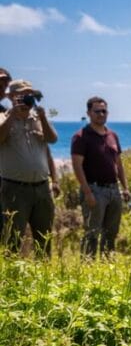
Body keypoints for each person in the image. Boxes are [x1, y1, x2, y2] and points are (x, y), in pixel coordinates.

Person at [0, 79, 59, 255]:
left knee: (44, 239)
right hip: (14, 189)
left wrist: (43, 117)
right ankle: (10, 279)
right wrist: (12, 115)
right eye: (21, 94)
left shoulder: (39, 118)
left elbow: (52, 139)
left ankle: (44, 276)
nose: (26, 97)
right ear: (10, 96)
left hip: (41, 188)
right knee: (12, 240)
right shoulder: (3, 117)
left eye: (29, 94)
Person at [71, 96, 130, 257]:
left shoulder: (112, 136)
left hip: (113, 190)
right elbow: (77, 166)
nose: (101, 114)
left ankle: (107, 267)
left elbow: (118, 163)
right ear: (89, 113)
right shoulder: (81, 136)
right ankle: (88, 268)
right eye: (97, 111)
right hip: (94, 189)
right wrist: (87, 192)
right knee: (92, 233)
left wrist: (125, 187)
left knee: (111, 233)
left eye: (104, 111)